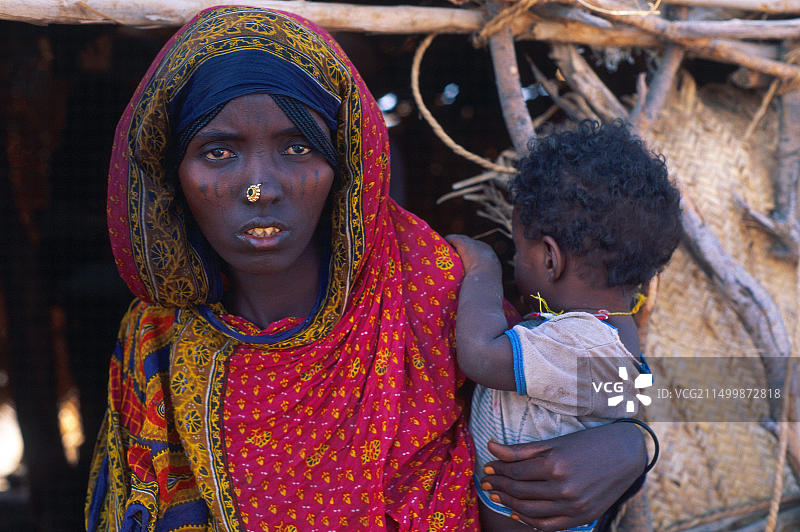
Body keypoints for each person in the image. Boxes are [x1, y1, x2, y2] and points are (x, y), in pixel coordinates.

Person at [86, 8, 651, 531]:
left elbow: (614, 383)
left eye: (297, 148)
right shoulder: (155, 338)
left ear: (346, 157)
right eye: (218, 152)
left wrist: (635, 446)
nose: (260, 189)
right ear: (170, 175)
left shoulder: (431, 285)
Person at [447, 120, 681, 531]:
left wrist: (482, 266)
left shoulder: (575, 341)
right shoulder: (619, 330)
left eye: (517, 250)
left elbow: (479, 355)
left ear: (551, 260)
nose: (511, 261)